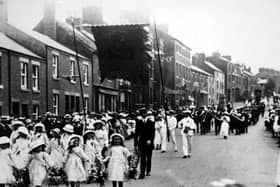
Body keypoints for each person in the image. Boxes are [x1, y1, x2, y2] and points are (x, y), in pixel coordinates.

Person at [134, 111, 155, 179]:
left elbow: (152, 133)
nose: (144, 115)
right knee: (142, 158)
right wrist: (135, 144)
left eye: (145, 114)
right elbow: (136, 134)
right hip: (142, 142)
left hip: (149, 143)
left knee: (149, 157)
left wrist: (150, 140)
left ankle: (148, 171)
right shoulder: (139, 123)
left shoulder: (151, 122)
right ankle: (142, 173)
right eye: (142, 114)